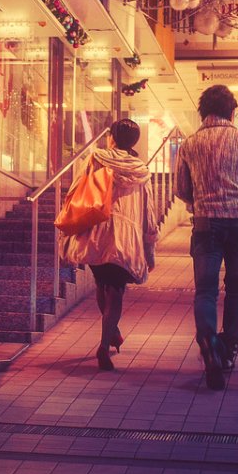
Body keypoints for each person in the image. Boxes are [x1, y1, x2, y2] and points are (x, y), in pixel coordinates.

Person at [175, 84, 238, 389]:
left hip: (205, 224)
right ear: (232, 110)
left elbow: (180, 188)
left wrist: (198, 200)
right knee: (237, 288)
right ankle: (227, 351)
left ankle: (209, 342)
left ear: (203, 111)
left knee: (205, 290)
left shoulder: (190, 143)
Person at [84, 118, 152, 371]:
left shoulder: (97, 159)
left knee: (102, 285)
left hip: (98, 232)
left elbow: (81, 191)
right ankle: (105, 343)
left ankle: (111, 332)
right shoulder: (140, 169)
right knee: (116, 291)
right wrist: (150, 242)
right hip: (125, 236)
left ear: (111, 137)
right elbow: (148, 208)